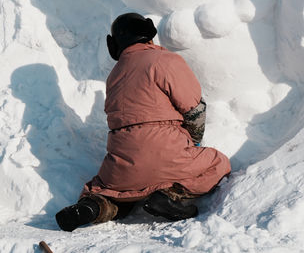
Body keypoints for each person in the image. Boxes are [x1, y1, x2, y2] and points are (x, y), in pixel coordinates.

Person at [55, 12, 231, 230]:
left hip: (120, 168)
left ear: (115, 45)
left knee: (108, 189)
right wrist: (193, 142)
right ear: (148, 35)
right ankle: (169, 195)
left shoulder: (114, 76)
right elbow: (195, 109)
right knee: (218, 162)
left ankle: (94, 206)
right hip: (167, 154)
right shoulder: (166, 60)